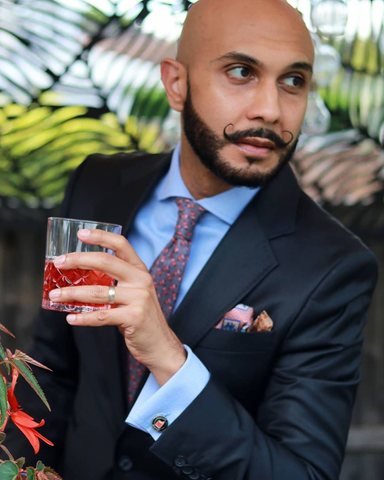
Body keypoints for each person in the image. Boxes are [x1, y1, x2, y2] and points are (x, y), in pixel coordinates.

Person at [6, 0, 378, 479]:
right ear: (176, 83)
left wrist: (168, 359)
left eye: (293, 81)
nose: (271, 109)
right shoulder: (98, 185)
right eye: (242, 71)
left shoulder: (333, 265)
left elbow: (300, 473)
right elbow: (53, 370)